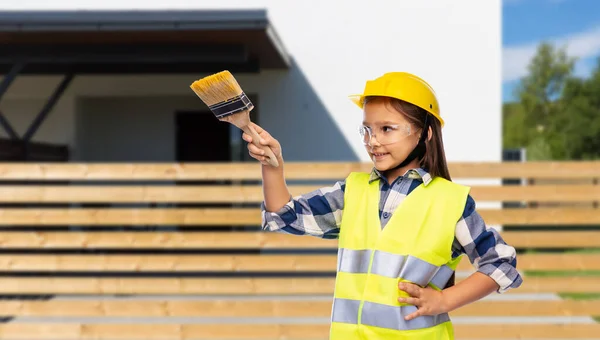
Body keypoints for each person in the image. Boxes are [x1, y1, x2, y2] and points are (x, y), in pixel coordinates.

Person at [242, 72, 523, 340]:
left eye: (386, 129)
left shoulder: (452, 203)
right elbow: (284, 215)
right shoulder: (352, 193)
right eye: (367, 129)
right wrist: (272, 167)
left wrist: (444, 300)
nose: (372, 141)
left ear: (425, 134)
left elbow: (500, 263)